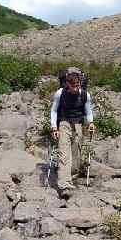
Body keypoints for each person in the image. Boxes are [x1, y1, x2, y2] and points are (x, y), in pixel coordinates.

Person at [50, 67, 95, 198]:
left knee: (76, 155)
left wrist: (91, 123)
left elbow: (88, 111)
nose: (75, 88)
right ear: (67, 84)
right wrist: (54, 128)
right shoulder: (60, 93)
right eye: (73, 85)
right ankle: (64, 185)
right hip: (64, 123)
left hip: (78, 125)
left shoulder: (85, 95)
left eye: (77, 85)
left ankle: (71, 177)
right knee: (64, 153)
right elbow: (54, 111)